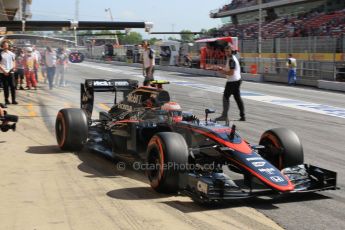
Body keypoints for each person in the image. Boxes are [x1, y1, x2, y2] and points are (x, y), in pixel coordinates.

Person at [215, 44, 245, 122]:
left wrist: (222, 71)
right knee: (238, 99)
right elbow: (230, 69)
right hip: (237, 80)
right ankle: (243, 116)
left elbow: (231, 73)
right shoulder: (231, 58)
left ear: (231, 50)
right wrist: (222, 68)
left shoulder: (231, 59)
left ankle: (224, 116)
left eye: (228, 51)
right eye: (225, 51)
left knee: (225, 97)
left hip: (232, 81)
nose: (226, 52)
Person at [0, 40, 17, 105]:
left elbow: (14, 61)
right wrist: (4, 71)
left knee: (13, 86)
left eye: (7, 45)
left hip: (11, 72)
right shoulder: (0, 54)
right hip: (3, 72)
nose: (5, 46)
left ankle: (13, 100)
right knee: (6, 87)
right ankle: (6, 100)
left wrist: (14, 67)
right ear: (2, 46)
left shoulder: (12, 54)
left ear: (8, 46)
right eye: (4, 45)